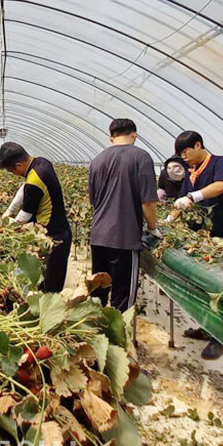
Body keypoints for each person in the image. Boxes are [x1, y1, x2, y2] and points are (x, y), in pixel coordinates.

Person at [171, 130, 223, 360]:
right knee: (202, 286)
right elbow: (180, 202)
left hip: (219, 237)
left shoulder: (220, 163)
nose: (184, 158)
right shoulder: (191, 173)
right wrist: (169, 219)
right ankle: (206, 327)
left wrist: (194, 197)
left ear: (198, 145)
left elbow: (220, 186)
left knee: (219, 285)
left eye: (185, 152)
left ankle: (221, 338)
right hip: (198, 239)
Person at [88, 119, 160, 312]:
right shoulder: (141, 157)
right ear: (134, 135)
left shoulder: (97, 160)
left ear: (111, 137)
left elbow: (94, 201)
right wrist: (152, 227)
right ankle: (119, 330)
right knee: (123, 297)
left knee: (98, 291)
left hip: (98, 236)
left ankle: (95, 327)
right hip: (124, 238)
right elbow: (148, 202)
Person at [0, 142, 72, 293]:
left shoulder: (34, 182)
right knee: (45, 281)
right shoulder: (42, 163)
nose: (13, 174)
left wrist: (6, 229)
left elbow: (24, 217)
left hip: (53, 239)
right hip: (60, 231)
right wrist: (9, 211)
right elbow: (24, 188)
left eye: (11, 171)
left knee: (50, 288)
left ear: (18, 165)